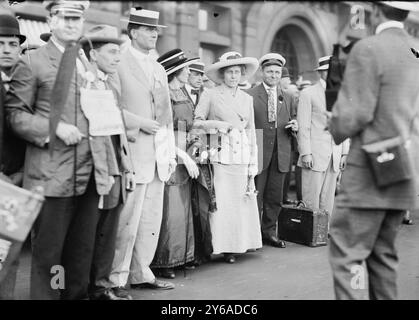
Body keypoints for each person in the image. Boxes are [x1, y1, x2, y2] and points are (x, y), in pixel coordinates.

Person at [6, 0, 121, 300]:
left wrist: (107, 170)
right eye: (65, 18)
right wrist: (52, 127)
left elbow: (101, 121)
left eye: (77, 18)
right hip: (50, 177)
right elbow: (16, 115)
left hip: (89, 176)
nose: (71, 24)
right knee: (49, 262)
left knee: (80, 258)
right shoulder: (33, 61)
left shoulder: (87, 64)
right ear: (51, 20)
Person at [328, 1, 419, 300]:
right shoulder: (415, 50)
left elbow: (355, 113)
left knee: (349, 259)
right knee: (383, 260)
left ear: (376, 10)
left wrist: (336, 125)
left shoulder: (369, 48)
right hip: (402, 170)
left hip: (368, 172)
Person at [103, 7, 177, 293]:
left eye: (156, 29)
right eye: (148, 29)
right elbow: (109, 106)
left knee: (150, 221)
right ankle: (117, 278)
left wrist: (168, 151)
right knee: (127, 222)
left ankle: (141, 272)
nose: (154, 33)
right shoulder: (118, 62)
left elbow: (167, 114)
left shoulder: (158, 66)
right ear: (133, 32)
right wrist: (139, 123)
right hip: (132, 152)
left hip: (157, 155)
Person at [77, 25, 135, 301]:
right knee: (87, 233)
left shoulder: (111, 84)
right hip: (94, 168)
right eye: (111, 52)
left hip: (115, 167)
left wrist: (127, 167)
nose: (117, 58)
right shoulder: (83, 82)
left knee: (107, 233)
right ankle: (82, 289)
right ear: (93, 54)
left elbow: (119, 129)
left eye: (118, 52)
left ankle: (101, 287)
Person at [193, 51, 262, 263]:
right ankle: (225, 248)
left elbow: (251, 130)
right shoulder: (211, 94)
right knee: (223, 203)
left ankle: (241, 244)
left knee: (241, 202)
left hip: (241, 154)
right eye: (229, 72)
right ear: (222, 74)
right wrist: (219, 125)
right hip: (220, 152)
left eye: (237, 72)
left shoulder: (246, 98)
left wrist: (253, 161)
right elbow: (196, 122)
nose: (233, 76)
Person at [150, 49, 200, 279]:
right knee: (171, 208)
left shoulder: (183, 92)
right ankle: (164, 261)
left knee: (183, 206)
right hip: (171, 151)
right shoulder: (164, 95)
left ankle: (183, 256)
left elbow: (189, 124)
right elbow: (164, 130)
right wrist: (182, 153)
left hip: (186, 151)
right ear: (176, 71)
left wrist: (196, 141)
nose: (189, 71)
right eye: (186, 68)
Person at [246, 53, 299, 248]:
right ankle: (253, 235)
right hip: (259, 150)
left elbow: (294, 118)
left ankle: (269, 233)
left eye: (277, 72)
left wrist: (295, 125)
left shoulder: (288, 96)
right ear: (262, 72)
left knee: (275, 196)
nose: (274, 75)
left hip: (281, 150)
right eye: (270, 71)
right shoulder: (250, 95)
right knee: (256, 195)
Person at [297, 56, 350, 220]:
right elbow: (303, 125)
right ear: (322, 73)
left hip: (335, 152)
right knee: (311, 194)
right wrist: (305, 152)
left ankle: (323, 229)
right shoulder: (308, 93)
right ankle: (308, 230)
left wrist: (344, 153)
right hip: (315, 152)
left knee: (328, 196)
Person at [0, 13, 27, 300]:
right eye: (1, 43)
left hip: (17, 179)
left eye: (12, 43)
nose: (7, 49)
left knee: (10, 254)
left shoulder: (22, 83)